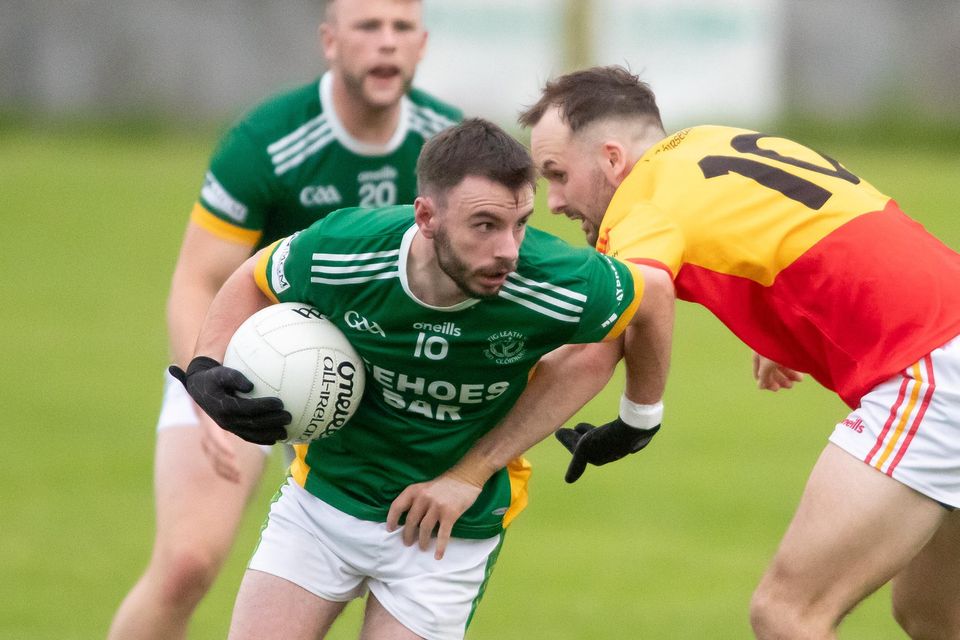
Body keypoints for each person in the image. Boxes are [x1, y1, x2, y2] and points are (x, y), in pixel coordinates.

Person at [170, 118, 662, 640]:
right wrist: (205, 367)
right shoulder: (346, 247)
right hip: (323, 504)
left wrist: (637, 419)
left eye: (520, 223)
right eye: (485, 226)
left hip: (444, 532)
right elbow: (256, 275)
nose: (509, 250)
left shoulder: (551, 278)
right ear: (427, 216)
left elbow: (648, 301)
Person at [512, 65, 960, 639]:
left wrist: (477, 460)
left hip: (931, 369)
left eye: (557, 174)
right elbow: (817, 227)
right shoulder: (710, 141)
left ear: (611, 158)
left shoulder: (640, 200)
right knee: (933, 614)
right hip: (942, 335)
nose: (553, 202)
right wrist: (784, 332)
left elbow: (610, 336)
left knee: (786, 614)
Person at [108, 2, 461, 638]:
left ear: (423, 43)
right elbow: (198, 279)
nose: (386, 44)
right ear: (329, 42)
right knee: (186, 564)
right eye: (367, 27)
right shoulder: (269, 140)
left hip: (383, 381)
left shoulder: (444, 144)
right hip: (249, 359)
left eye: (401, 28)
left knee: (395, 577)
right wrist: (203, 377)